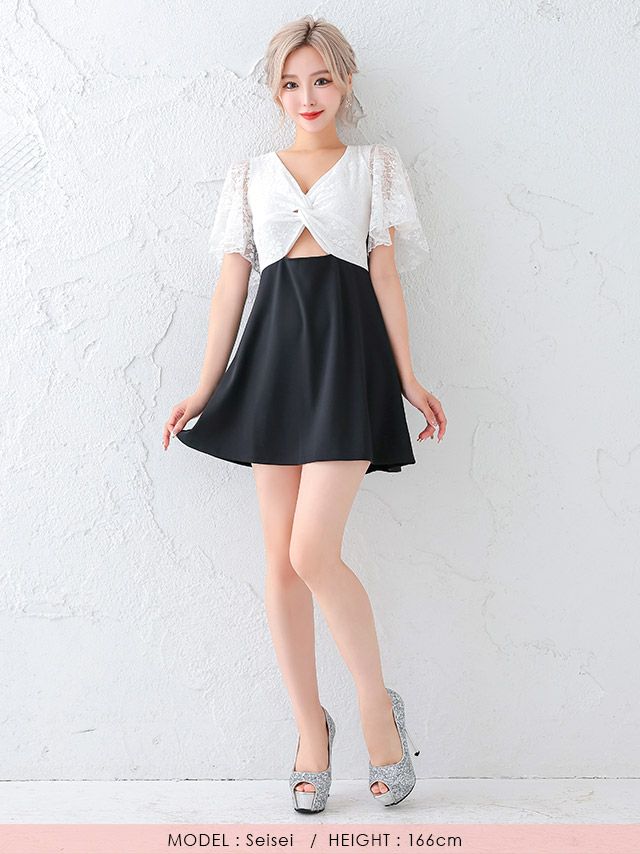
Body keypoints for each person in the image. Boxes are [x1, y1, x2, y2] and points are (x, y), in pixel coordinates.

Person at [163, 15, 447, 813]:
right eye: (291, 83)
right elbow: (232, 286)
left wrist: (409, 378)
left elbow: (385, 277)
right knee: (281, 563)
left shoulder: (373, 167)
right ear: (276, 93)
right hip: (272, 365)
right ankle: (309, 732)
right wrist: (204, 386)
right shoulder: (250, 175)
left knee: (312, 550)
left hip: (348, 364)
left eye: (321, 78)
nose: (307, 95)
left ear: (345, 81)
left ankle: (376, 712)